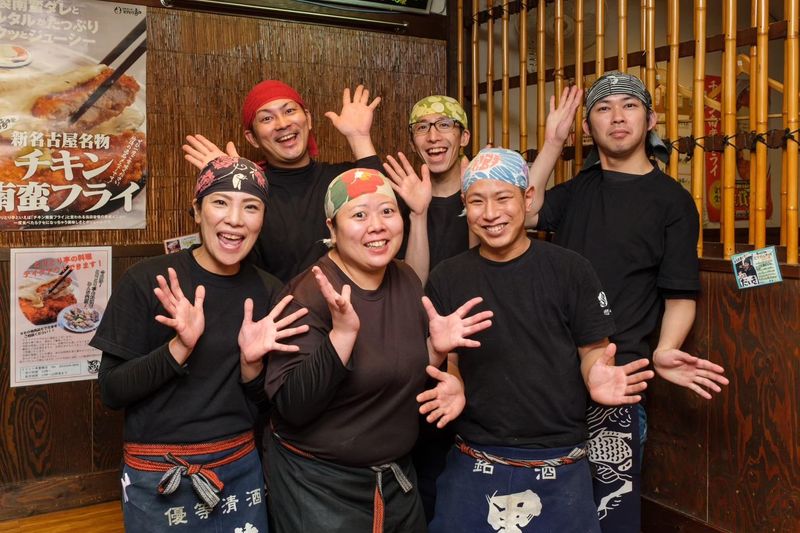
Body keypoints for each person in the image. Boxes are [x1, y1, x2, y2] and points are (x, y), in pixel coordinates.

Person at [530, 71, 730, 532]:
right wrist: (552, 143)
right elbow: (521, 212)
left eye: (629, 105)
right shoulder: (578, 189)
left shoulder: (673, 202)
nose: (617, 117)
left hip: (619, 382)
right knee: (542, 513)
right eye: (603, 108)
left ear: (650, 119)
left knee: (610, 515)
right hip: (549, 379)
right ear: (587, 128)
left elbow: (680, 293)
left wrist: (665, 349)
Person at [426, 147, 654, 532]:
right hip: (474, 453)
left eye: (503, 198)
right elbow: (451, 362)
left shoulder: (570, 269)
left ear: (527, 198)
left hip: (561, 457)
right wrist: (452, 379)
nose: (491, 213)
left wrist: (595, 373)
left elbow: (593, 350)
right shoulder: (446, 278)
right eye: (477, 201)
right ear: (464, 204)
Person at [261, 167, 492, 532]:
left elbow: (396, 371)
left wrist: (435, 351)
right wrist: (342, 337)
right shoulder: (308, 293)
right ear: (332, 228)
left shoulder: (405, 278)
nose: (377, 226)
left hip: (395, 477)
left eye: (387, 211)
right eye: (359, 215)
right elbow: (293, 407)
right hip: (318, 484)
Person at [91, 156, 308, 532]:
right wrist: (179, 347)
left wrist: (252, 365)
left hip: (239, 466)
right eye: (220, 202)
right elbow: (111, 391)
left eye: (251, 207)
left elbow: (266, 404)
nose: (235, 219)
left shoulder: (269, 291)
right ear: (196, 210)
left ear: (262, 219)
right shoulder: (150, 280)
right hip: (160, 472)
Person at [182, 80, 427, 283]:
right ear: (252, 138)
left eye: (290, 111)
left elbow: (383, 211)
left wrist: (359, 137)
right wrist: (231, 182)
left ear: (308, 119)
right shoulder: (254, 196)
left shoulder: (342, 180)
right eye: (266, 119)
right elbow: (224, 256)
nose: (282, 124)